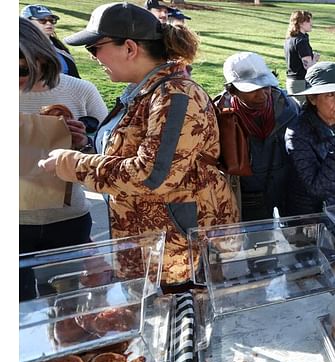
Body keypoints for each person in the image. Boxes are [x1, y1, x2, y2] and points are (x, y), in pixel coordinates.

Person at [39, 2, 239, 285]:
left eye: (95, 47)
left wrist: (73, 165)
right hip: (151, 248)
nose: (93, 57)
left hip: (179, 254)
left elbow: (153, 175)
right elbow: (131, 153)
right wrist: (86, 145)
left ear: (130, 48)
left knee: (181, 324)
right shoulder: (144, 92)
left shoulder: (175, 95)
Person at [19, 17, 107, 253]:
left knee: (71, 290)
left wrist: (84, 142)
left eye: (22, 69)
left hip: (69, 220)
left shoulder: (79, 90)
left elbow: (110, 153)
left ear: (43, 57)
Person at [216, 52, 300, 221]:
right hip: (249, 198)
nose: (262, 94)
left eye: (266, 86)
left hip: (288, 190)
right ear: (232, 90)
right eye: (252, 89)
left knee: (299, 241)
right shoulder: (219, 116)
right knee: (259, 244)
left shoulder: (289, 108)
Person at [284, 62, 335, 216]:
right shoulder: (297, 134)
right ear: (312, 99)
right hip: (311, 220)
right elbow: (316, 189)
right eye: (331, 94)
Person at [21, 4, 80, 78]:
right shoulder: (21, 48)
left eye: (52, 20)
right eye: (42, 20)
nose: (49, 23)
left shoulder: (59, 47)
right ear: (26, 22)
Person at [284, 10, 319, 104]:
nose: (311, 23)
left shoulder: (290, 39)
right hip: (300, 83)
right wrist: (314, 59)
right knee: (303, 113)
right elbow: (308, 67)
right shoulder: (301, 41)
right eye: (308, 21)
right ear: (300, 23)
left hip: (291, 81)